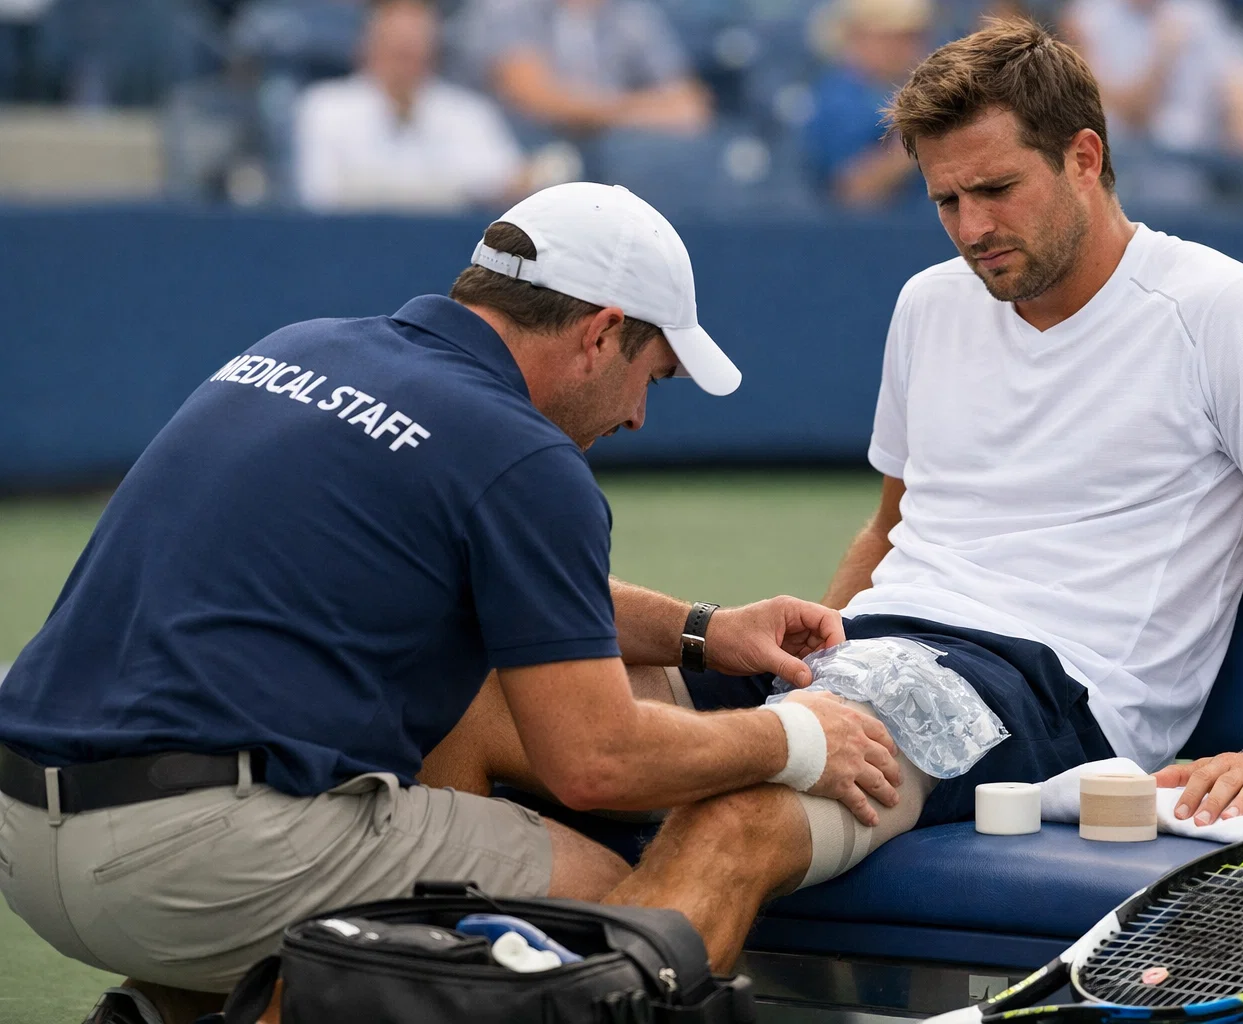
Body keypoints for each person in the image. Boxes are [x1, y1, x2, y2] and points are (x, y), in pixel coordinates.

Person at [575, 18, 1243, 971]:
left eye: (995, 189)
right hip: (876, 655)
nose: (972, 227)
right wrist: (824, 640)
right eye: (946, 200)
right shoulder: (929, 302)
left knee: (734, 810)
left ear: (1084, 157)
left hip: (1051, 698)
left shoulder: (1227, 312)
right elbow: (897, 522)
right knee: (513, 703)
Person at [0, 183, 900, 1024]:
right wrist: (801, 740)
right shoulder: (525, 457)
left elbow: (498, 579)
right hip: (179, 857)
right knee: (614, 912)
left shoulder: (298, 345)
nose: (637, 418)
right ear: (601, 332)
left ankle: (167, 1008)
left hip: (23, 835)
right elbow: (597, 762)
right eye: (652, 377)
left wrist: (700, 631)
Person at [293, 0, 527, 213]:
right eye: (395, 48)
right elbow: (319, 194)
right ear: (368, 45)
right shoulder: (325, 108)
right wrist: (450, 189)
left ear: (433, 49)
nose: (405, 58)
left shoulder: (469, 112)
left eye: (415, 48)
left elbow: (504, 184)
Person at [449, 0, 710, 136]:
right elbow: (534, 98)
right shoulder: (508, 7)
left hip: (612, 152)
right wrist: (641, 111)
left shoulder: (633, 16)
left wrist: (593, 114)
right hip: (517, 145)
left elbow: (690, 107)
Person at [1062, 0, 1243, 153]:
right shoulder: (1087, 18)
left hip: (1196, 154)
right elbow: (1132, 113)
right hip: (1124, 157)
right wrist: (1162, 58)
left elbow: (1240, 77)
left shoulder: (1198, 14)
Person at [803, 0, 933, 209]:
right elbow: (853, 191)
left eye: (913, 37)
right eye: (891, 37)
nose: (904, 48)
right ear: (857, 37)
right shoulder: (838, 99)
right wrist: (917, 141)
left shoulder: (920, 87)